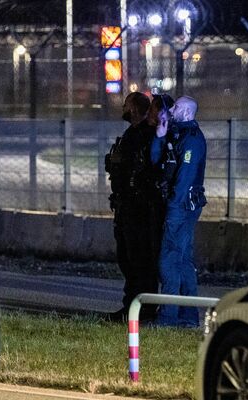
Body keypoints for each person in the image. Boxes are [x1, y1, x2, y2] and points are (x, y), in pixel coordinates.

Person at [151, 95, 207, 327]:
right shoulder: (176, 135)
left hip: (181, 207)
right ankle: (187, 317)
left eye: (176, 107)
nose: (171, 110)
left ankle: (168, 317)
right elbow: (157, 162)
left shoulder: (192, 140)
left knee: (168, 261)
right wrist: (160, 137)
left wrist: (173, 208)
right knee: (183, 261)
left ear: (186, 112)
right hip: (178, 205)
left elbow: (184, 180)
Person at [105, 92, 159, 322]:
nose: (124, 109)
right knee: (127, 259)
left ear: (135, 108)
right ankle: (130, 306)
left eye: (127, 105)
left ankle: (143, 309)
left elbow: (144, 168)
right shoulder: (131, 133)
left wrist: (123, 163)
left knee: (140, 260)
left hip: (139, 208)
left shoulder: (146, 135)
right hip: (125, 205)